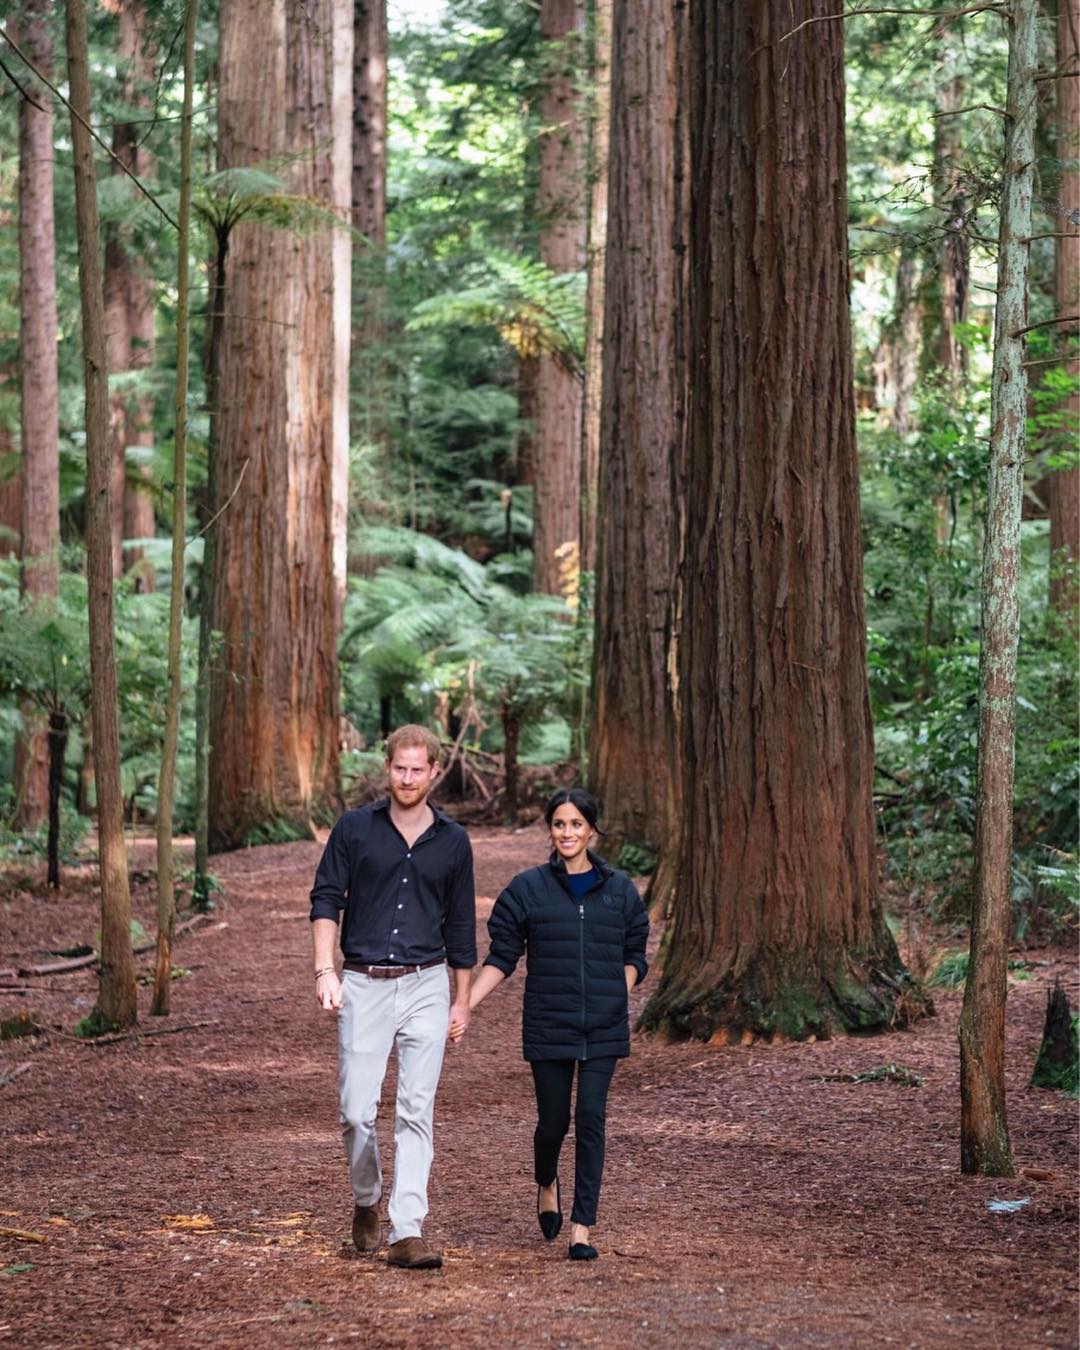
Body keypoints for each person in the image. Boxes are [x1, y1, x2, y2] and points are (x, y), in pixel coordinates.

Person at [456, 788, 649, 1261]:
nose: (568, 832)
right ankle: (546, 1180)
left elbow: (635, 952)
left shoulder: (619, 890)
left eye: (577, 824)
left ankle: (582, 1227)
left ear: (592, 830)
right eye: (560, 824)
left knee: (591, 1119)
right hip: (549, 1023)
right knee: (552, 1124)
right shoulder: (528, 889)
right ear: (550, 830)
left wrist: (617, 991)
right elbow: (502, 956)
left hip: (603, 1027)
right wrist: (464, 1005)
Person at [309, 724, 475, 1270]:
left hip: (427, 983)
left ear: (434, 772)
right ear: (388, 768)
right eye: (399, 768)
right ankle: (366, 1198)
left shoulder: (453, 842)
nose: (407, 778)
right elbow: (326, 898)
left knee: (416, 1110)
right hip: (363, 982)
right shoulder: (355, 829)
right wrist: (325, 971)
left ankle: (408, 1229)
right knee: (356, 1111)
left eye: (417, 769)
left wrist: (461, 1000)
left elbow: (461, 926)